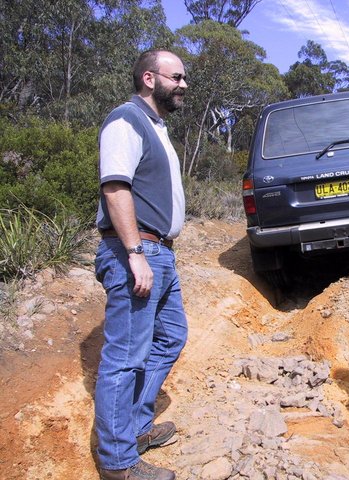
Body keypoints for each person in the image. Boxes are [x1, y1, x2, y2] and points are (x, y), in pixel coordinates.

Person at [94, 49, 189, 480]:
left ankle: (134, 428)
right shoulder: (124, 120)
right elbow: (116, 188)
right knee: (125, 358)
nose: (183, 84)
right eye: (177, 77)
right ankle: (118, 463)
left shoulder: (156, 125)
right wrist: (134, 254)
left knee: (172, 336)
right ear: (150, 79)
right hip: (136, 251)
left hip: (160, 251)